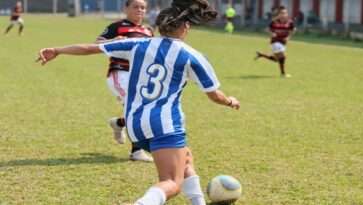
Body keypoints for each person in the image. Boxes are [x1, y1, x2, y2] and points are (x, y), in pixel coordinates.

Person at [36, 0, 240, 204]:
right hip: (164, 125)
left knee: (185, 159)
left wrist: (57, 50)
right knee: (171, 182)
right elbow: (214, 95)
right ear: (186, 27)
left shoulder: (138, 43)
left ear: (159, 26)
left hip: (135, 125)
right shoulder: (192, 56)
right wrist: (229, 101)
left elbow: (91, 48)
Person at [96, 0, 154, 162]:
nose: (140, 10)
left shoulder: (148, 30)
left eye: (143, 7)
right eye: (135, 7)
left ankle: (119, 123)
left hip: (139, 76)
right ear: (126, 8)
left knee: (140, 110)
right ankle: (137, 151)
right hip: (120, 74)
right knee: (137, 109)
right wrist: (113, 41)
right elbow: (98, 43)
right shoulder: (117, 26)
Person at [255, 6, 296, 78]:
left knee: (277, 59)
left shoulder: (290, 22)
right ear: (279, 14)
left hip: (283, 42)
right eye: (282, 13)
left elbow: (293, 30)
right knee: (283, 57)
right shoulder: (274, 21)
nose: (284, 14)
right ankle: (283, 74)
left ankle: (262, 55)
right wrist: (272, 33)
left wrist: (288, 37)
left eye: (285, 13)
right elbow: (267, 29)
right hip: (275, 42)